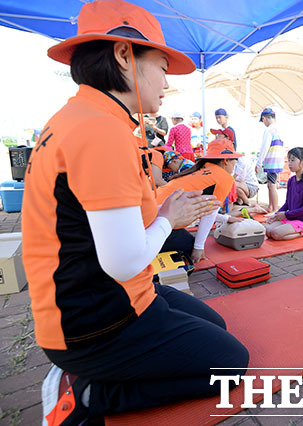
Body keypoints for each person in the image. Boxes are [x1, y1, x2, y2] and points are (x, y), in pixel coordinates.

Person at [21, 1, 249, 423]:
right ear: (124, 55)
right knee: (231, 364)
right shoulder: (100, 130)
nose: (167, 82)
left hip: (106, 297)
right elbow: (123, 261)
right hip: (96, 322)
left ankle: (98, 373)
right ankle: (91, 393)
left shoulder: (80, 118)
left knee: (215, 324)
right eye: (162, 66)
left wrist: (164, 215)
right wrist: (168, 219)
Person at [157, 139, 244, 264]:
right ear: (226, 161)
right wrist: (198, 248)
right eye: (234, 162)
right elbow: (209, 214)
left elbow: (203, 208)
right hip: (156, 222)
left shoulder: (200, 170)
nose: (234, 166)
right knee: (190, 246)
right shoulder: (223, 177)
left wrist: (225, 219)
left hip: (149, 214)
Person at [265, 147, 303, 240]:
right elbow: (288, 203)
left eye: (293, 160)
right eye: (288, 160)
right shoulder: (291, 180)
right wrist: (276, 214)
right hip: (291, 217)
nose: (289, 164)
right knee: (268, 231)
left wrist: (286, 214)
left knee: (276, 234)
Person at [256, 107, 284, 213]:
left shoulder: (269, 130)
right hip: (277, 161)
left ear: (264, 118)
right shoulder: (278, 129)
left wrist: (259, 162)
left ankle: (274, 209)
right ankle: (271, 207)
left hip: (271, 161)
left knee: (271, 185)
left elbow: (264, 147)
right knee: (270, 184)